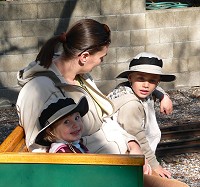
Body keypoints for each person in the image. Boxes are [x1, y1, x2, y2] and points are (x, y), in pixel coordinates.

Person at [16, 19, 188, 187]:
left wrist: (132, 143)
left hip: (120, 162)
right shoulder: (38, 90)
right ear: (84, 56)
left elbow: (104, 119)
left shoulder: (82, 78)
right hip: (101, 174)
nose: (101, 63)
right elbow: (40, 154)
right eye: (101, 58)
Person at [107, 52, 175, 177]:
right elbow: (138, 138)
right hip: (125, 160)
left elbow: (153, 88)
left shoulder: (132, 88)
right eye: (141, 79)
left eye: (152, 80)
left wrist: (164, 96)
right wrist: (155, 166)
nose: (146, 85)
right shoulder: (130, 105)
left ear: (158, 82)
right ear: (130, 78)